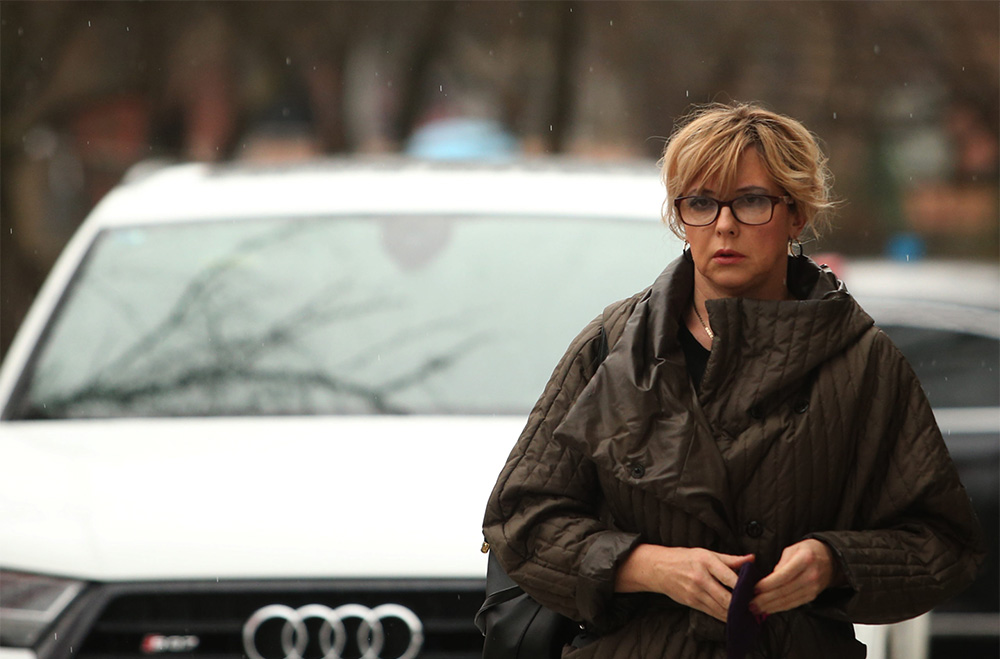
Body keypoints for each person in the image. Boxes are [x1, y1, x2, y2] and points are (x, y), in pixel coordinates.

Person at [482, 102, 985, 658]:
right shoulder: (615, 347)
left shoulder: (862, 360)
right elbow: (520, 520)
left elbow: (942, 543)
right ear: (681, 217)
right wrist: (649, 566)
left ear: (797, 214)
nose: (724, 225)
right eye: (701, 202)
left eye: (750, 201)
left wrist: (833, 562)